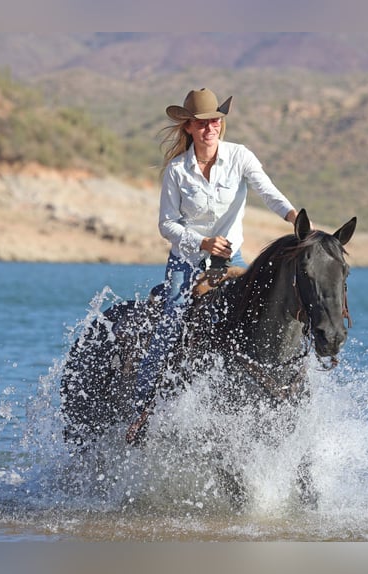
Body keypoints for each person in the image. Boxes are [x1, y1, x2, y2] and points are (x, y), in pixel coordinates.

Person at [126, 87, 299, 444]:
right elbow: (167, 225)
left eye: (215, 121)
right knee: (172, 318)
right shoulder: (176, 171)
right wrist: (201, 242)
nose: (211, 128)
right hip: (187, 259)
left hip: (231, 258)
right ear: (188, 127)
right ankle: (143, 408)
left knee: (260, 307)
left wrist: (294, 217)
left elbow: (268, 191)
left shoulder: (240, 156)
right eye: (202, 124)